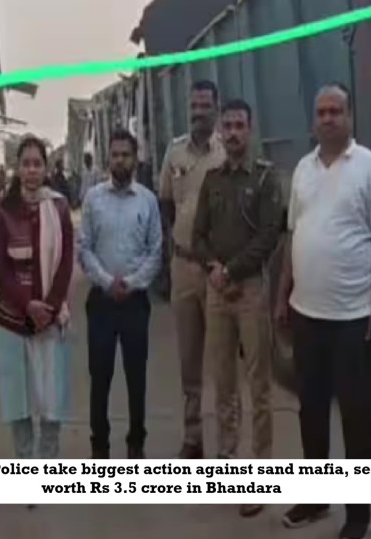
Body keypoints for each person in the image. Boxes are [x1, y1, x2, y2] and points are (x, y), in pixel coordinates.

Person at [276, 83, 371, 539]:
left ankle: (359, 514)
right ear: (313, 120)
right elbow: (294, 235)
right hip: (306, 314)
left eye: (336, 111)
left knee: (355, 415)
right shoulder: (303, 170)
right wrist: (282, 297)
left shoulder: (368, 166)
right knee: (310, 411)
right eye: (321, 111)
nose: (328, 118)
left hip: (353, 317)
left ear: (349, 117)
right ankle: (315, 497)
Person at [192, 98, 282, 518]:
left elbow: (269, 236)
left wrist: (231, 270)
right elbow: (198, 235)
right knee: (223, 382)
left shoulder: (264, 178)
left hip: (249, 290)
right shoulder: (212, 180)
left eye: (239, 126)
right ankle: (228, 460)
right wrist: (213, 268)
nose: (232, 133)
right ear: (220, 132)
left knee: (258, 385)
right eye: (226, 126)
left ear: (250, 129)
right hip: (217, 290)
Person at [0, 136, 74, 466]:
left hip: (50, 320)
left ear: (46, 168)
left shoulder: (59, 208)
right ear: (17, 168)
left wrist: (48, 307)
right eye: (25, 164)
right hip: (12, 319)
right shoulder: (4, 211)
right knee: (18, 401)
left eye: (37, 163)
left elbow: (66, 262)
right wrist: (27, 305)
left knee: (51, 401)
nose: (31, 170)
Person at [78, 129, 162, 459]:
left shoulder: (147, 200)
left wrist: (132, 283)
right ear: (107, 159)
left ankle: (136, 442)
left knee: (136, 376)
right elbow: (84, 247)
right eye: (115, 155)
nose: (120, 160)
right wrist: (106, 281)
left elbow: (156, 251)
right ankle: (99, 444)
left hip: (135, 302)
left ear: (135, 158)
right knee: (100, 376)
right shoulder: (93, 199)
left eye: (126, 154)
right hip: (101, 301)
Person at [158, 80, 227, 459]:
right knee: (189, 360)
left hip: (217, 272)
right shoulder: (175, 152)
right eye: (194, 106)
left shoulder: (225, 152)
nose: (198, 113)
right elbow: (166, 203)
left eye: (204, 106)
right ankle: (193, 437)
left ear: (216, 108)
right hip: (184, 268)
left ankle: (226, 444)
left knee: (222, 359)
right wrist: (177, 242)